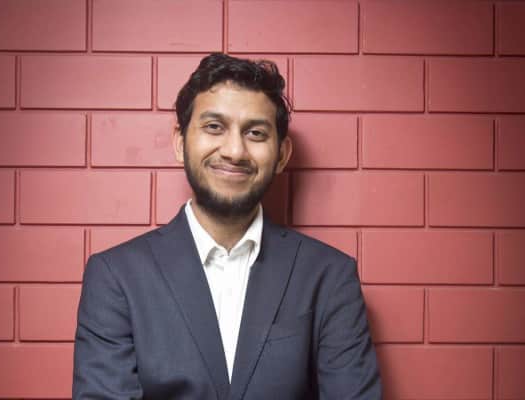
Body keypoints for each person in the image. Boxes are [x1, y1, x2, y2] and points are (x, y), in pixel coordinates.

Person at [73, 53, 381, 399]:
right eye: (214, 127)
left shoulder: (330, 276)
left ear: (282, 154)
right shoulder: (116, 276)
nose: (235, 151)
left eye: (256, 133)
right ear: (180, 142)